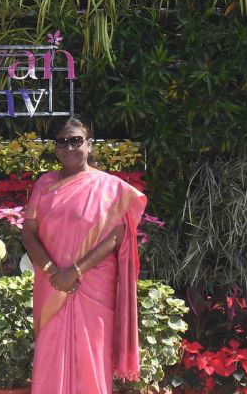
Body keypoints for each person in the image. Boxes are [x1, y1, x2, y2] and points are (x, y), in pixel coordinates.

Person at [21, 117, 147, 394]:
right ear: (55, 148)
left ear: (90, 145)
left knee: (92, 352)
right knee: (50, 348)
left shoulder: (110, 187)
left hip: (93, 280)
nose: (69, 147)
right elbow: (28, 231)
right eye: (62, 142)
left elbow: (117, 235)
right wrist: (54, 272)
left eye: (76, 140)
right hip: (51, 281)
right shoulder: (45, 184)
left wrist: (75, 271)